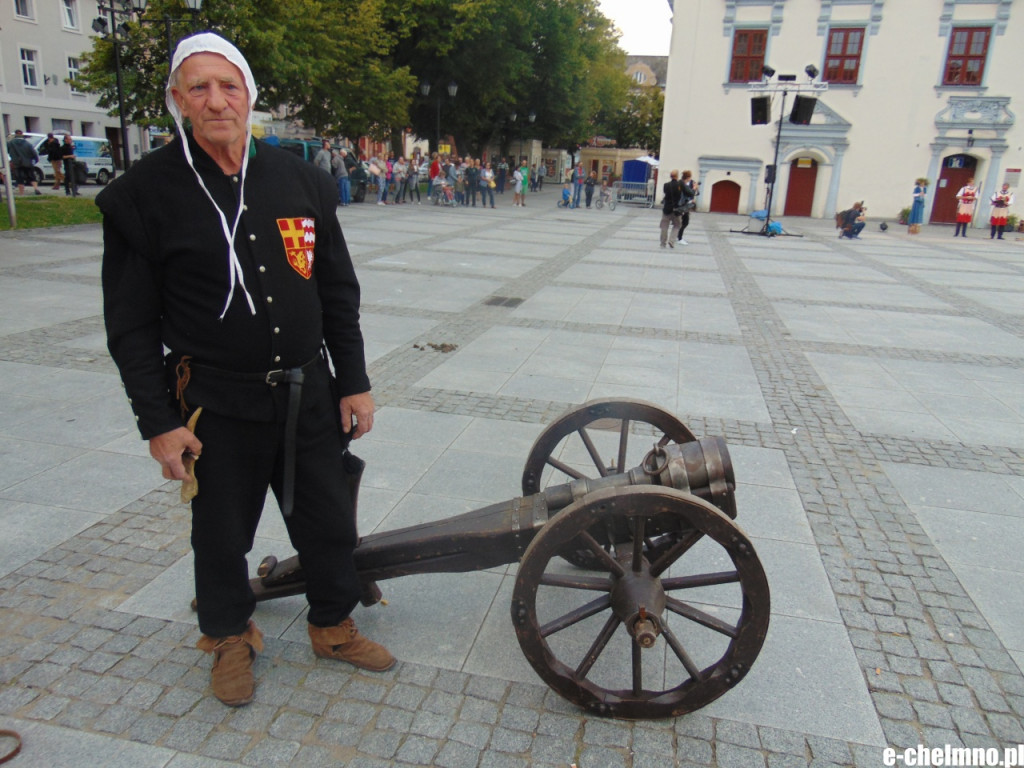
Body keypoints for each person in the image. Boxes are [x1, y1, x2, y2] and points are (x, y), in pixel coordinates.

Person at [97, 32, 393, 709]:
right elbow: (131, 327)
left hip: (308, 392)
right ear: (178, 100)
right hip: (215, 402)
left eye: (228, 86)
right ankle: (229, 635)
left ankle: (332, 625)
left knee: (328, 521)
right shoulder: (141, 196)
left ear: (249, 95)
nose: (216, 100)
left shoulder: (302, 179)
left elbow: (336, 290)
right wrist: (158, 423)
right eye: (198, 88)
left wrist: (353, 380)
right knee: (219, 533)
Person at [6, 129, 43, 196]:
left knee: (19, 178)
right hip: (27, 162)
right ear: (22, 135)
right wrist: (35, 160)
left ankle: (21, 193)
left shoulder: (10, 143)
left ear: (15, 135)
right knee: (32, 176)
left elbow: (7, 151)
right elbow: (33, 153)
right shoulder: (27, 143)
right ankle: (36, 188)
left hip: (17, 163)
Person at [659, 169, 683, 248]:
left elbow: (665, 193)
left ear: (670, 176)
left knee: (664, 226)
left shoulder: (666, 185)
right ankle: (671, 241)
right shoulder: (680, 186)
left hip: (667, 208)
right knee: (677, 225)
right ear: (677, 176)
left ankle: (663, 243)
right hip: (676, 209)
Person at [676, 171, 698, 245]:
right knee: (684, 222)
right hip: (682, 206)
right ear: (687, 177)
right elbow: (690, 193)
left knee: (683, 222)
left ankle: (677, 236)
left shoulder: (685, 183)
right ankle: (679, 238)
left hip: (684, 205)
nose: (691, 179)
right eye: (690, 177)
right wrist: (694, 188)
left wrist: (695, 189)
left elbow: (693, 193)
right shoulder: (682, 184)